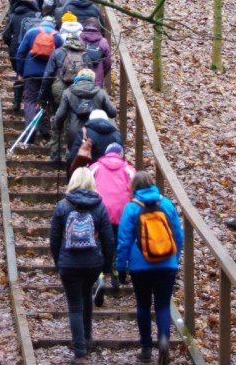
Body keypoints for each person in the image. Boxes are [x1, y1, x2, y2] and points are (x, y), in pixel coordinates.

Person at [116, 172, 185, 364]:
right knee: (163, 304)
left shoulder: (131, 208)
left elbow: (124, 240)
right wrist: (175, 258)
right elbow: (178, 235)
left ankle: (146, 348)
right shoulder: (167, 204)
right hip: (167, 264)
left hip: (140, 266)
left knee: (143, 305)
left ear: (134, 188)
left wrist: (121, 267)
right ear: (153, 185)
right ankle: (164, 339)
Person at [49, 167, 115, 364]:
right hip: (92, 263)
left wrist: (58, 262)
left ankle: (80, 353)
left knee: (75, 306)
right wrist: (107, 267)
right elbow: (108, 239)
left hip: (69, 264)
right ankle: (87, 337)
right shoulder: (99, 206)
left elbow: (53, 239)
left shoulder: (62, 206)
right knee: (86, 295)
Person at [89, 143, 136, 290]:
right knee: (117, 241)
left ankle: (100, 274)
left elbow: (86, 185)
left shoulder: (96, 166)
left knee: (99, 242)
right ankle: (116, 269)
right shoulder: (128, 169)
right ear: (121, 155)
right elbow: (136, 188)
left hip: (99, 211)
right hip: (122, 213)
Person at [51, 69, 116, 163]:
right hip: (96, 133)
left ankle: (74, 175)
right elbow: (112, 112)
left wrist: (59, 127)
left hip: (74, 133)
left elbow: (60, 116)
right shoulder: (100, 92)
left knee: (74, 161)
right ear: (93, 78)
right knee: (95, 161)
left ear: (78, 78)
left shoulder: (68, 92)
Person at [16, 16, 63, 141]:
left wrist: (20, 72)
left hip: (31, 73)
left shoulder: (31, 32)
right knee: (47, 101)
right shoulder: (58, 37)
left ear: (41, 23)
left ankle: (30, 130)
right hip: (50, 74)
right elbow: (62, 57)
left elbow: (20, 53)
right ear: (54, 25)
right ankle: (45, 129)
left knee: (30, 100)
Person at [78, 17, 112, 87]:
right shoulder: (103, 41)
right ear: (99, 28)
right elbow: (108, 63)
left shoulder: (79, 39)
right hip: (97, 80)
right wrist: (102, 73)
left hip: (80, 78)